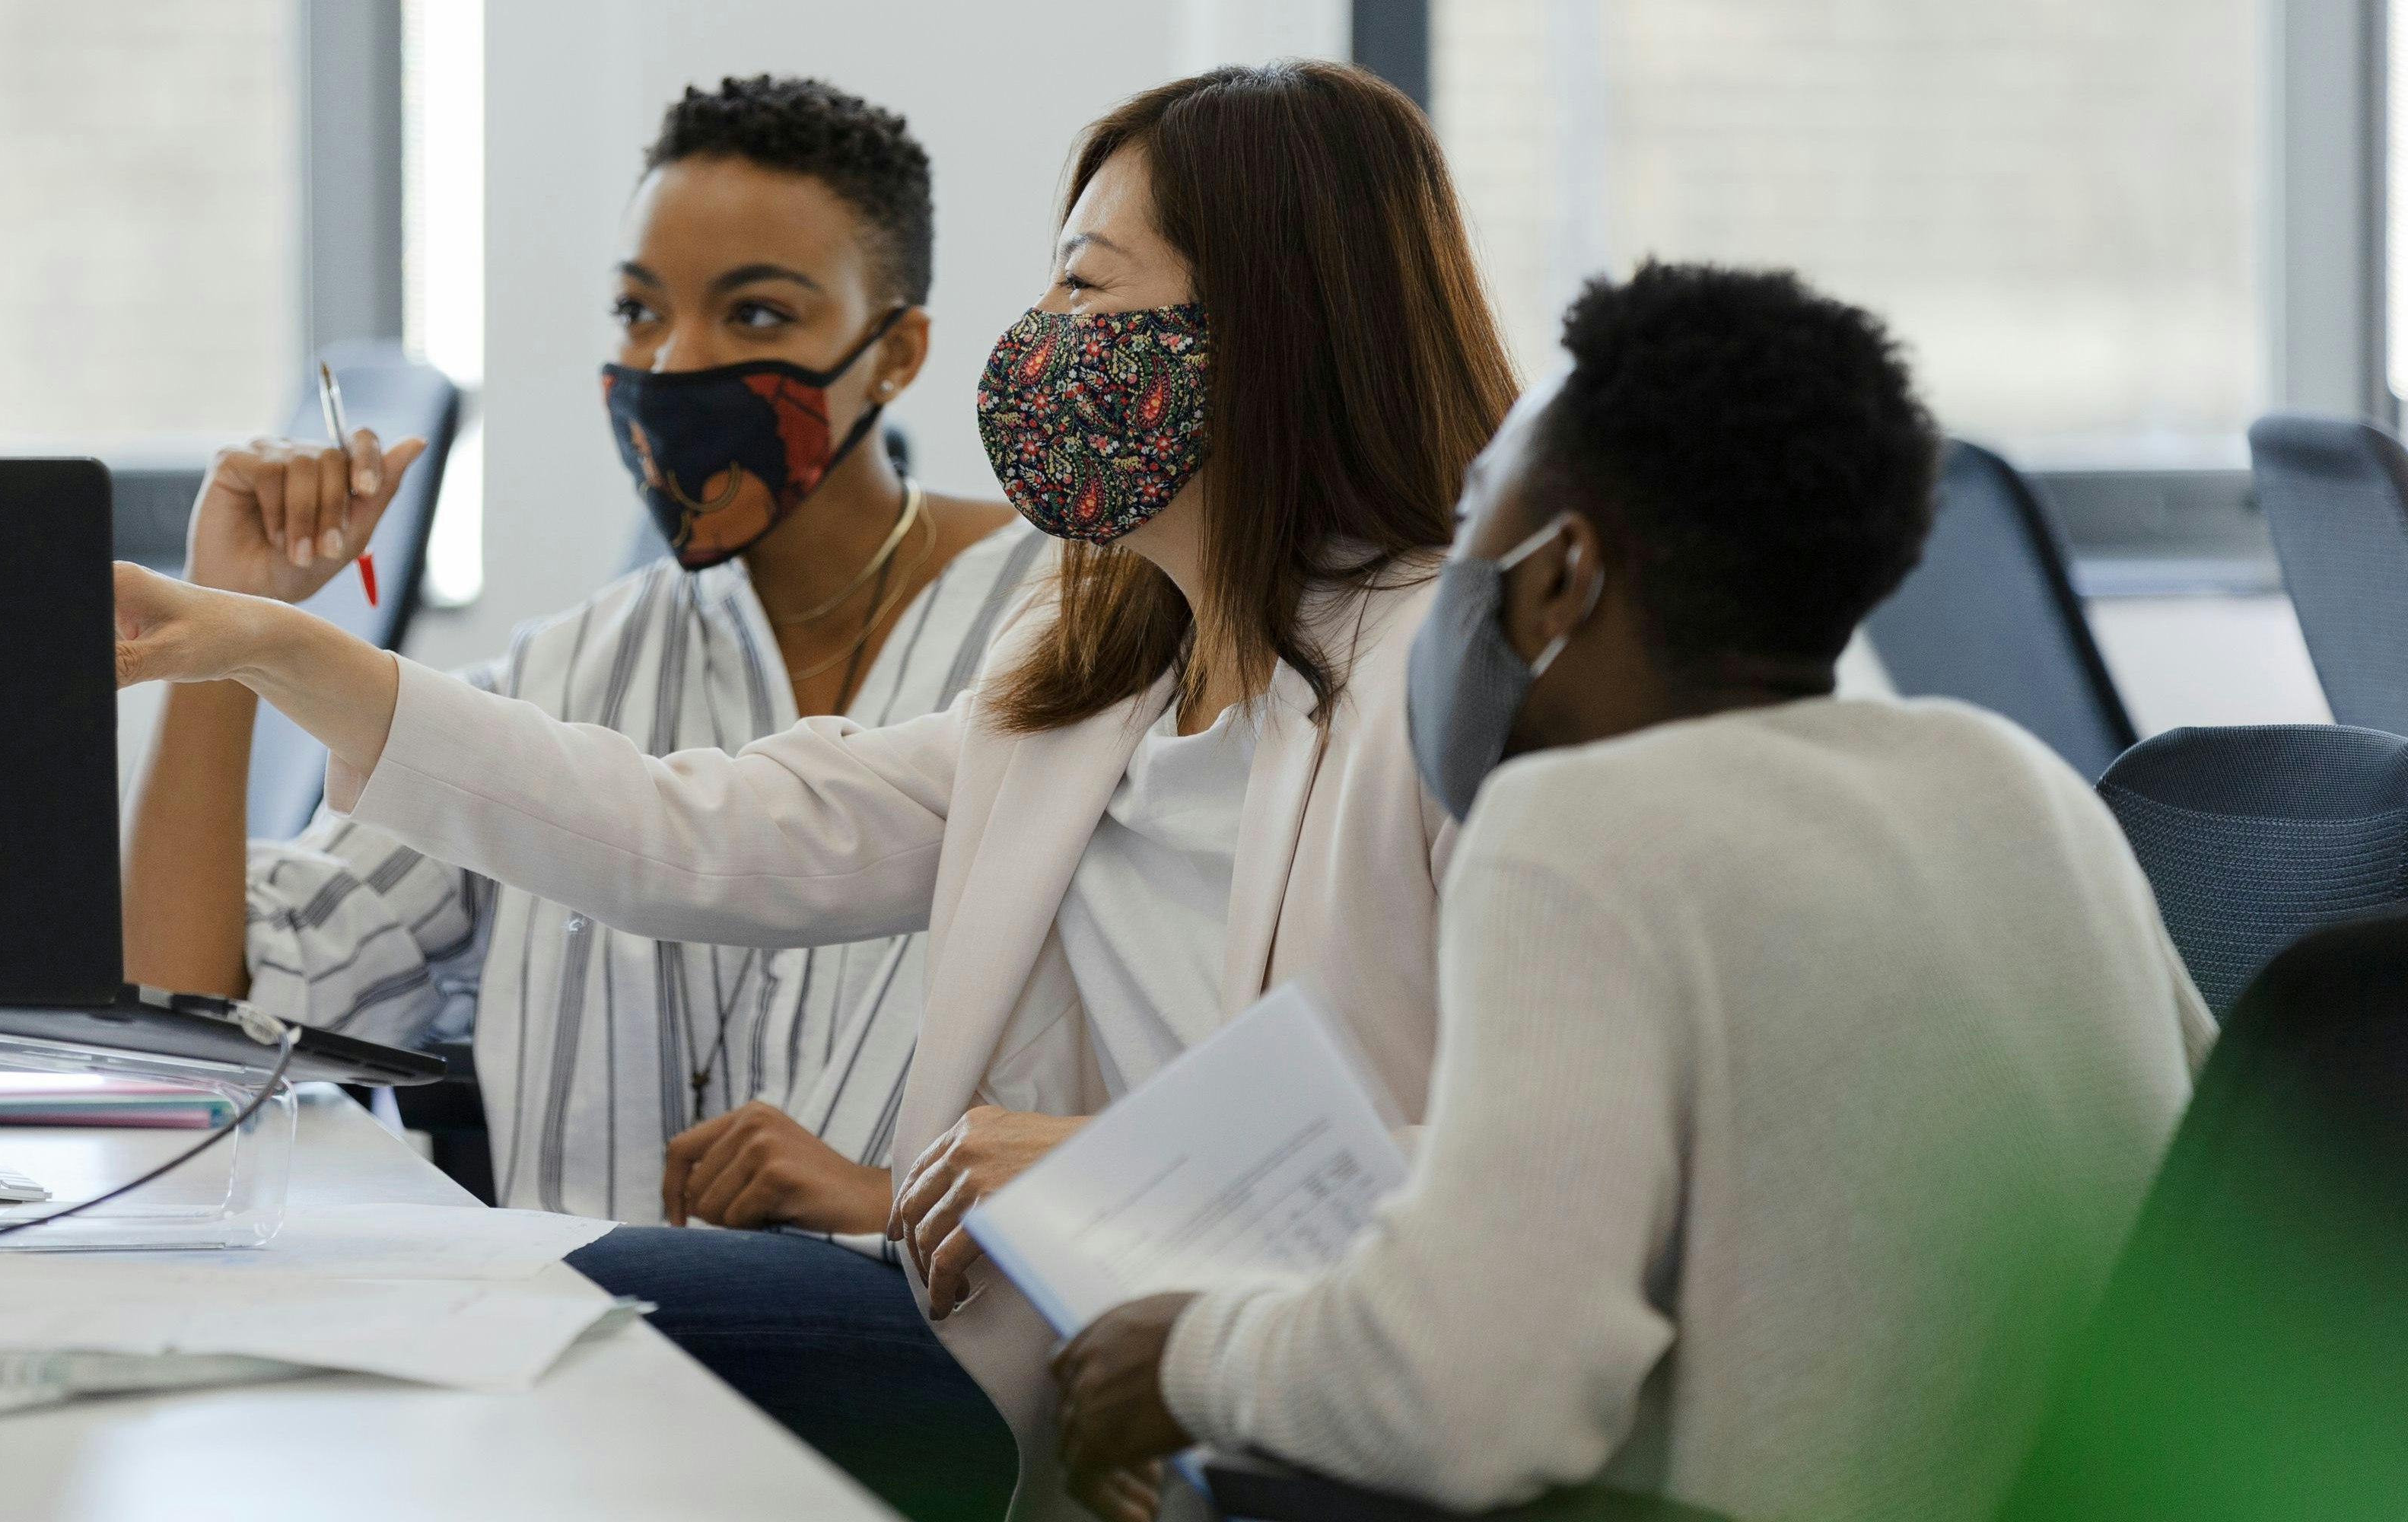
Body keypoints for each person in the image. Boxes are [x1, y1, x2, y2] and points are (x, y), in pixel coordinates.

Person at [110, 59, 1517, 1522]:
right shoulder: (1087, 682)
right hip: (1100, 1396)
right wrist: (273, 646)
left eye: (1087, 293)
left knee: (574, 1311)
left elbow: (1543, 1172)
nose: (1042, 342)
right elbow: (690, 831)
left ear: (1267, 335)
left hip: (1318, 1419)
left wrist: (1119, 1171)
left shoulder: (1449, 682)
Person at [1047, 263, 2215, 1522]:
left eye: (1472, 511)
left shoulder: (1586, 832)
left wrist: (1186, 1360)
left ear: (1560, 575)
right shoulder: (2020, 783)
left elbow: (1476, 1393)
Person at [123, 77, 1034, 1234]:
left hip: (923, 1362)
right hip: (578, 1358)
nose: (673, 362)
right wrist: (225, 627)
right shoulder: (570, 674)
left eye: (756, 316)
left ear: (896, 353)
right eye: (638, 312)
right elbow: (192, 1024)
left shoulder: (1069, 634)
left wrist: (892, 1197)